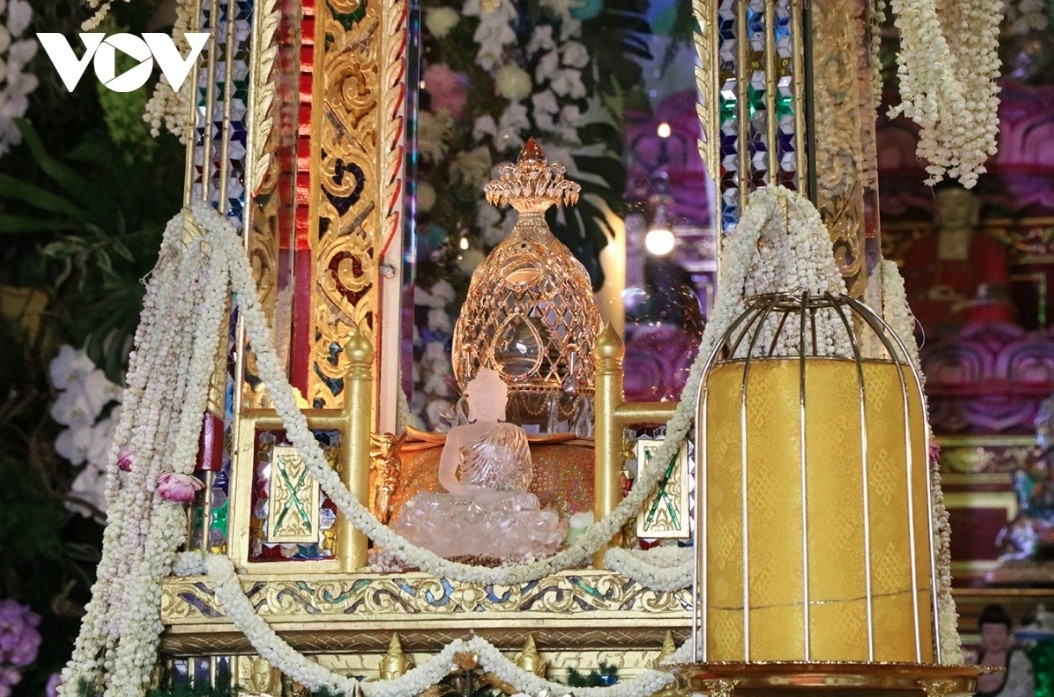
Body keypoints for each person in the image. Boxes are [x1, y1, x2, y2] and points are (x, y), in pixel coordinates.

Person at [392, 368, 567, 559]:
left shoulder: (514, 433)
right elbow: (446, 474)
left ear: (502, 403)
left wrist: (497, 493)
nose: (485, 404)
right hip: (466, 497)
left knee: (528, 501)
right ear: (471, 403)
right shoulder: (457, 434)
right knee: (426, 503)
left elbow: (523, 473)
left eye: (492, 399)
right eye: (480, 399)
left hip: (501, 499)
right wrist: (465, 492)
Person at [901, 184, 1014, 335]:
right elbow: (907, 288)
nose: (952, 211)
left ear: (974, 207)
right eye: (944, 205)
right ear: (935, 208)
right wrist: (928, 294)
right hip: (933, 306)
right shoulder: (920, 246)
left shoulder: (989, 245)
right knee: (908, 312)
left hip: (973, 307)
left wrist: (971, 302)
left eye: (960, 204)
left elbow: (996, 287)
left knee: (998, 311)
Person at [970, 604, 1036, 697]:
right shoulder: (972, 660)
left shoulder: (1019, 661)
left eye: (999, 632)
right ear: (982, 634)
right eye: (989, 632)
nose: (994, 637)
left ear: (1008, 633)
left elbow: (1026, 691)